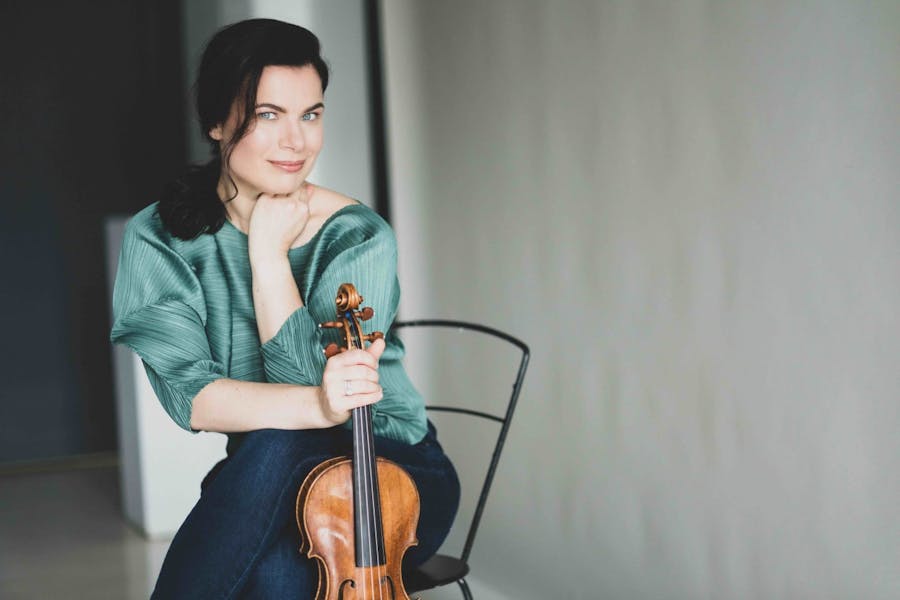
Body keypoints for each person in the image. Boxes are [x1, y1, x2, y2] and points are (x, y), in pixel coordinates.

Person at [110, 18, 460, 599]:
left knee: (278, 442)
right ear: (218, 122)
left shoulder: (356, 235)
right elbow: (192, 401)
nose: (297, 141)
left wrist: (270, 260)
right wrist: (320, 402)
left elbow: (316, 403)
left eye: (311, 114)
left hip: (391, 472)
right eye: (268, 115)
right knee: (277, 554)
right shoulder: (159, 238)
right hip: (272, 475)